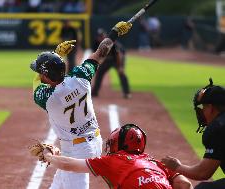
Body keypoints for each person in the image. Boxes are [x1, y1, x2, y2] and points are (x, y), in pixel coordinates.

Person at [30, 21, 132, 189]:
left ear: (46, 76)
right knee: (58, 185)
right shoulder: (81, 77)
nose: (39, 75)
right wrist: (114, 33)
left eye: (41, 73)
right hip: (93, 141)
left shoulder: (47, 98)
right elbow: (101, 51)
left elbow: (37, 82)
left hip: (76, 150)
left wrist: (57, 54)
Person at [32, 123, 193, 189]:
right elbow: (185, 185)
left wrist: (49, 156)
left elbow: (70, 165)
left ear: (120, 143)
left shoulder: (112, 161)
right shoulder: (156, 162)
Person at [162, 79, 225, 189]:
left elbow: (203, 173)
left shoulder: (217, 127)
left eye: (204, 107)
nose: (202, 111)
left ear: (210, 108)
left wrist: (177, 166)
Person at [91, 28, 131, 99]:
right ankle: (94, 92)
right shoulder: (96, 43)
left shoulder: (110, 42)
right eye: (99, 36)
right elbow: (96, 55)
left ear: (105, 36)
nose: (100, 38)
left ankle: (127, 93)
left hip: (117, 58)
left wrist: (120, 67)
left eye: (101, 36)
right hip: (107, 59)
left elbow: (118, 55)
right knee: (99, 72)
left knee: (121, 73)